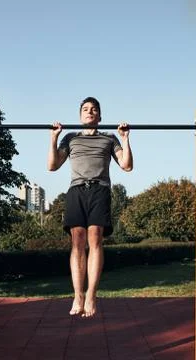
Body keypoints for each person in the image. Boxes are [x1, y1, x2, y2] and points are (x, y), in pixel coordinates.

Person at [48, 97, 133, 318]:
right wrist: (53, 138)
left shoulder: (109, 138)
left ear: (99, 116)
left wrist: (125, 139)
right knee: (77, 241)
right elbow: (52, 165)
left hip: (100, 190)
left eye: (94, 109)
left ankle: (91, 295)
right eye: (85, 109)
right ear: (80, 115)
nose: (89, 112)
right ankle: (78, 295)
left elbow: (127, 165)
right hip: (76, 190)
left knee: (95, 237)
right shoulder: (71, 138)